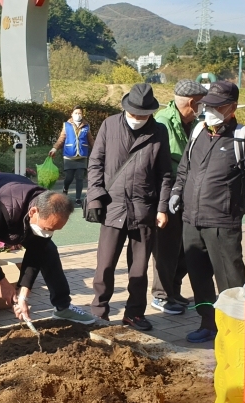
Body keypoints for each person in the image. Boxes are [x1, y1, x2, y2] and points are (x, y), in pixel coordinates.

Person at [169, 81, 245, 343]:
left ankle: (238, 330)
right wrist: (176, 191)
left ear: (232, 108)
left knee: (230, 279)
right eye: (208, 105)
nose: (210, 110)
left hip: (223, 221)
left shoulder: (243, 137)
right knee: (199, 278)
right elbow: (184, 169)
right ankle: (209, 324)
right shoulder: (198, 131)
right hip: (191, 219)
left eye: (218, 106)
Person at [0, 173, 95, 348]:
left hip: (10, 206)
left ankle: (63, 307)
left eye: (54, 230)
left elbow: (35, 254)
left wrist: (23, 296)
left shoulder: (48, 205)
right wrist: (0, 280)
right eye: (47, 228)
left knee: (49, 250)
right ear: (33, 212)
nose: (48, 233)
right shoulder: (5, 207)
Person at [87, 83, 172, 331]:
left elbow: (165, 173)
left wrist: (162, 207)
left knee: (139, 267)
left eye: (143, 115)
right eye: (134, 114)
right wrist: (94, 197)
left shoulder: (159, 131)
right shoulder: (109, 125)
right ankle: (99, 312)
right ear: (126, 108)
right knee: (105, 265)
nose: (137, 119)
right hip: (113, 207)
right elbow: (95, 163)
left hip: (143, 208)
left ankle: (134, 313)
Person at [149, 79, 208, 315]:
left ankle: (174, 290)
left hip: (188, 192)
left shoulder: (193, 122)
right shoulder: (164, 122)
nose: (205, 108)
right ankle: (161, 296)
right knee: (166, 247)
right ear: (193, 102)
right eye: (203, 103)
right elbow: (167, 163)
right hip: (168, 191)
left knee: (183, 246)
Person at [49, 106, 93, 207]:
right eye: (76, 113)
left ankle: (78, 198)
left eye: (80, 113)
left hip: (82, 156)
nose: (78, 115)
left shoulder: (86, 126)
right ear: (72, 114)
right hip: (69, 156)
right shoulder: (66, 125)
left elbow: (91, 140)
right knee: (69, 177)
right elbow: (61, 139)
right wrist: (54, 148)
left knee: (79, 178)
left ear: (82, 115)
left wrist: (97, 150)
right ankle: (65, 188)